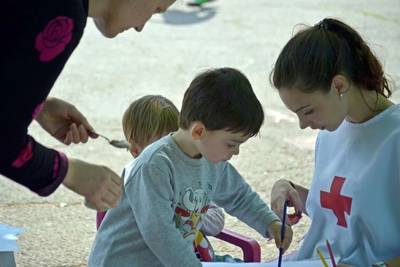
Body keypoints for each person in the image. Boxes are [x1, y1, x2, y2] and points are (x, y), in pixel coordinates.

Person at [87, 67, 293, 267]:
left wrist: (270, 223)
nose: (235, 152)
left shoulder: (213, 160)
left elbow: (239, 196)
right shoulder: (154, 165)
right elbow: (161, 234)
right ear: (199, 131)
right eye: (231, 144)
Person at [0, 0, 176, 211]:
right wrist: (71, 172)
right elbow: (4, 142)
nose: (140, 27)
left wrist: (37, 105)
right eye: (156, 9)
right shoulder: (62, 14)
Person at [269, 18, 400, 267]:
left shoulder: (395, 137)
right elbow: (339, 213)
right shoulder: (331, 132)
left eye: (307, 111)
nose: (303, 124)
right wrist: (289, 188)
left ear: (338, 85)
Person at [95, 94, 226, 262]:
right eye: (160, 148)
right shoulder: (138, 180)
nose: (172, 153)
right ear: (135, 149)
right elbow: (157, 234)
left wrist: (191, 215)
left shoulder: (185, 177)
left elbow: (217, 219)